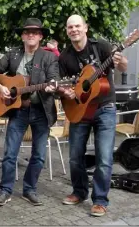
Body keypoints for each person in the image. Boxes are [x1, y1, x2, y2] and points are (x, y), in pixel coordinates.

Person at [58, 14, 128, 217]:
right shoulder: (65, 56)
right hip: (80, 108)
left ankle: (99, 200)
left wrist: (121, 59)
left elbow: (122, 67)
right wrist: (67, 92)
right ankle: (79, 192)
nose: (74, 30)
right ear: (67, 30)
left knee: (104, 157)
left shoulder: (101, 47)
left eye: (77, 26)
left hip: (104, 108)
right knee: (74, 157)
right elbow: (64, 85)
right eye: (70, 27)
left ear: (85, 28)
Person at [0, 18, 60, 206]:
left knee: (39, 155)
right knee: (10, 154)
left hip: (41, 111)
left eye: (35, 32)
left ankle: (29, 189)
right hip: (18, 112)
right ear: (22, 36)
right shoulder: (13, 55)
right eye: (27, 32)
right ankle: (5, 190)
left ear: (41, 36)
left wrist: (53, 87)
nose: (30, 35)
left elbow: (54, 79)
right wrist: (0, 86)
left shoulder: (49, 57)